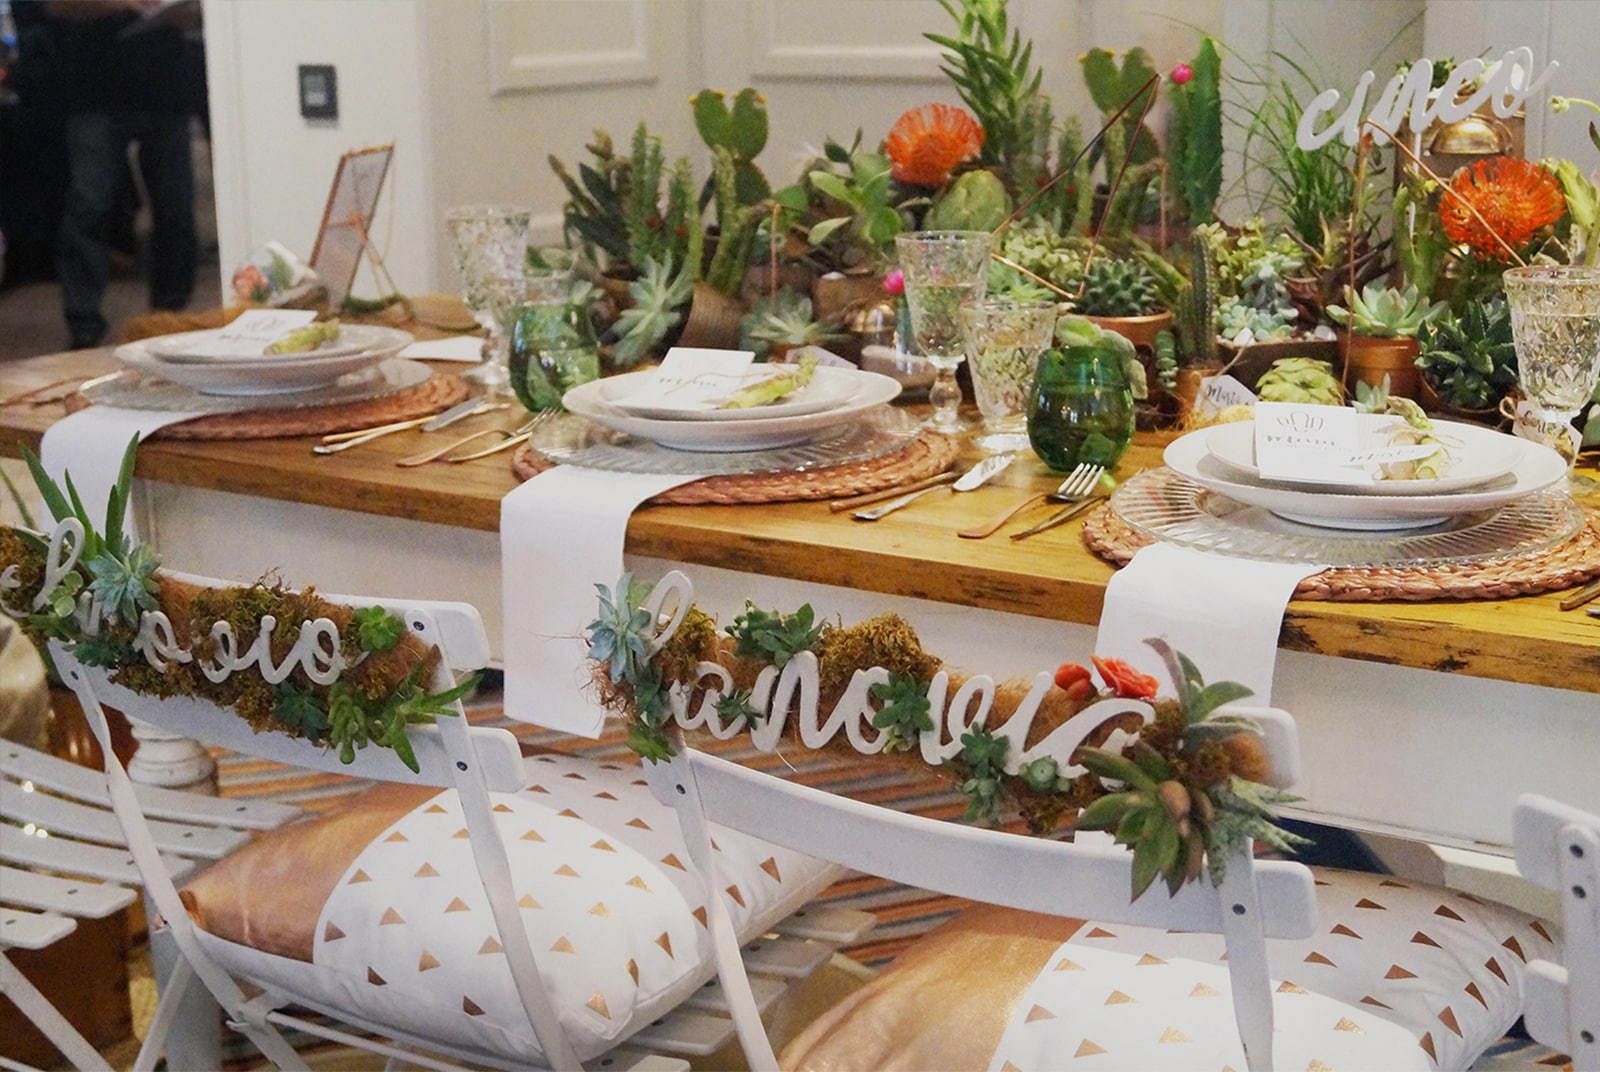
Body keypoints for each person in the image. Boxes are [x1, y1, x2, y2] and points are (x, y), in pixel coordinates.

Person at [47, 0, 199, 349]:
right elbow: (57, 6)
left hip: (165, 86)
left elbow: (192, 13)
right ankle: (83, 320)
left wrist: (180, 13)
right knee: (89, 206)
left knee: (175, 207)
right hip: (95, 87)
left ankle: (169, 314)